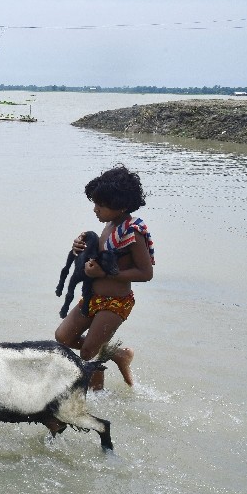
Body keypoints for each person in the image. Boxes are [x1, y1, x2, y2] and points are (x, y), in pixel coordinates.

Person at [54, 165, 154, 390]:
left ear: (122, 206)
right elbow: (101, 254)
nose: (95, 210)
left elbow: (146, 273)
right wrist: (78, 247)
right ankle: (118, 355)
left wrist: (106, 273)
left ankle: (98, 393)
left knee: (89, 351)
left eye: (101, 205)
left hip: (116, 303)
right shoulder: (109, 225)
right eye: (94, 203)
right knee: (63, 337)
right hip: (93, 298)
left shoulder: (132, 232)